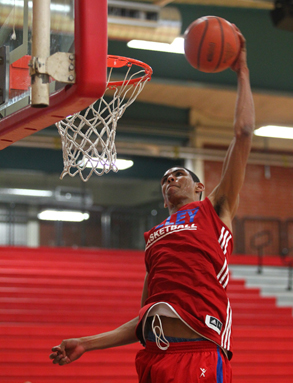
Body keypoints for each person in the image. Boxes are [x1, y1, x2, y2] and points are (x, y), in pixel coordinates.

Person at [49, 26, 255, 383]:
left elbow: (244, 134)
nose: (170, 180)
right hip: (154, 360)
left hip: (200, 354)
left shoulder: (215, 210)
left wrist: (242, 72)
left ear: (200, 187)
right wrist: (87, 342)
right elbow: (144, 317)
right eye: (165, 179)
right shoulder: (155, 236)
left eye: (178, 174)